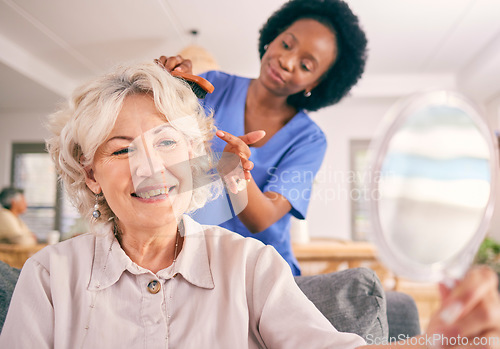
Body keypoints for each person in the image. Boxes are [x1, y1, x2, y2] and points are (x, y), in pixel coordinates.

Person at [1, 62, 499, 348]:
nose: (149, 167)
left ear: (196, 155)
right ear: (90, 174)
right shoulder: (48, 276)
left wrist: (444, 342)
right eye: (121, 148)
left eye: (167, 142)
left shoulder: (249, 264)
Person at [158, 0, 368, 275]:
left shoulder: (309, 139)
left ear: (315, 83)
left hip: (259, 271)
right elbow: (160, 153)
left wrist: (233, 170)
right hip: (190, 256)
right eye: (286, 44)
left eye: (305, 66)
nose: (286, 61)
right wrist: (168, 84)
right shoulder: (212, 85)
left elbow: (262, 220)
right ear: (273, 37)